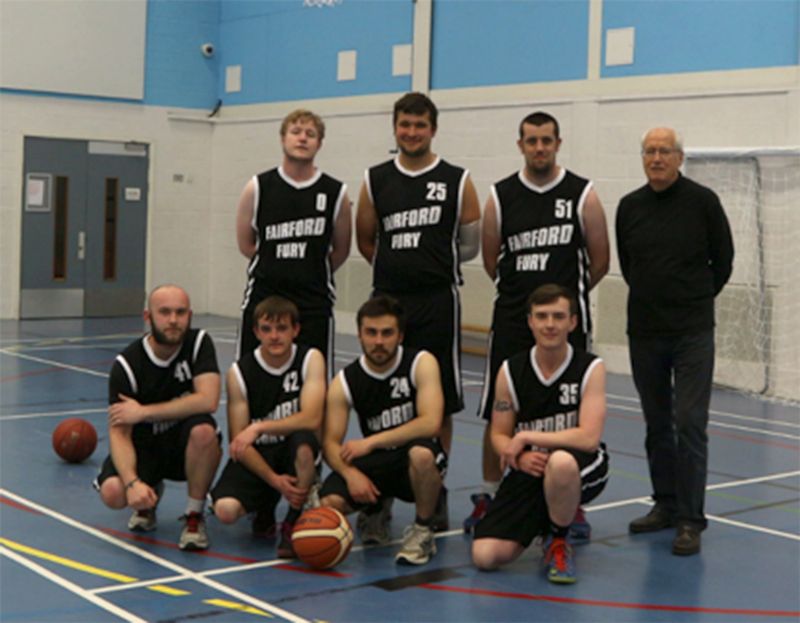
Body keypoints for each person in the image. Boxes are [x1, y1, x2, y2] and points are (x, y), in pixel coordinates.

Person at [467, 111, 609, 537]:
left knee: (565, 413)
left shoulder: (582, 193)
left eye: (547, 140)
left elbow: (600, 260)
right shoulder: (501, 195)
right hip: (513, 322)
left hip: (566, 325)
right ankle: (491, 493)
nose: (540, 148)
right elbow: (493, 261)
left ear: (558, 143)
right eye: (532, 141)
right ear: (521, 145)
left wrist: (562, 312)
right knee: (500, 413)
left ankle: (570, 500)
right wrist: (525, 309)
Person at [355, 92, 480, 530]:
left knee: (438, 399)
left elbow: (468, 245)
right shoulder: (375, 179)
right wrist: (397, 270)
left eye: (419, 125)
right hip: (389, 300)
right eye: (404, 124)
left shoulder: (457, 179)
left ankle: (435, 489)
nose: (411, 132)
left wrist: (427, 264)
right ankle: (381, 491)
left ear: (433, 128)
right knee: (381, 396)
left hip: (437, 301)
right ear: (395, 127)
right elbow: (366, 241)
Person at [616, 127, 733, 556]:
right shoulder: (629, 207)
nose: (657, 158)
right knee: (656, 423)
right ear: (643, 158)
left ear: (680, 157)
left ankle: (690, 519)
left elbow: (723, 261)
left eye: (665, 151)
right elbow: (630, 266)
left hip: (692, 332)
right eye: (650, 151)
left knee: (689, 422)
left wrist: (691, 300)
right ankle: (664, 505)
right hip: (645, 331)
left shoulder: (703, 202)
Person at [471, 284, 609, 584]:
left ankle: (559, 539)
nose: (550, 324)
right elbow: (498, 435)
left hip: (581, 465)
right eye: (542, 316)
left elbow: (588, 438)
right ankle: (547, 519)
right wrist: (518, 457)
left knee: (560, 463)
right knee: (486, 556)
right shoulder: (511, 370)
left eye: (558, 316)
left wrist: (525, 439)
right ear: (530, 321)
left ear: (572, 322)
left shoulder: (590, 367)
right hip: (531, 467)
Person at [319, 295, 446, 566]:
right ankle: (375, 508)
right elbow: (330, 443)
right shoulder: (345, 381)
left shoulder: (421, 362)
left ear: (400, 335)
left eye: (387, 333)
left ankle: (423, 530)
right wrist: (351, 475)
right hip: (379, 461)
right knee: (330, 502)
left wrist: (371, 442)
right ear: (359, 335)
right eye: (371, 332)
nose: (378, 341)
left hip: (414, 458)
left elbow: (430, 422)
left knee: (421, 455)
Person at [95, 285, 222, 551]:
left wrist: (144, 412)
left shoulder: (198, 344)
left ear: (190, 315)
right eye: (164, 312)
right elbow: (119, 434)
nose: (173, 320)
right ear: (147, 316)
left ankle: (194, 515)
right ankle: (147, 495)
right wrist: (132, 483)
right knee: (114, 493)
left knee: (204, 432)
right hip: (145, 448)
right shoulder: (127, 365)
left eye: (180, 312)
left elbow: (208, 400)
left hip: (184, 447)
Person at [235, 109, 352, 373]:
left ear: (319, 144)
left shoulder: (335, 192)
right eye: (296, 132)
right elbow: (247, 246)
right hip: (265, 298)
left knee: (314, 381)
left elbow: (341, 250)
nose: (302, 139)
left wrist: (307, 268)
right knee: (250, 377)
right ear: (283, 138)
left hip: (313, 303)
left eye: (310, 134)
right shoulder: (258, 187)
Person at [211, 296, 326, 559]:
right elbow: (239, 444)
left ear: (295, 330)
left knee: (306, 445)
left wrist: (260, 427)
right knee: (225, 511)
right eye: (266, 329)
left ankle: (293, 520)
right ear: (256, 332)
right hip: (259, 457)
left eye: (282, 328)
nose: (274, 336)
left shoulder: (310, 359)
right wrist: (275, 482)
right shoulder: (240, 372)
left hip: (292, 451)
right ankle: (264, 506)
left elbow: (312, 418)